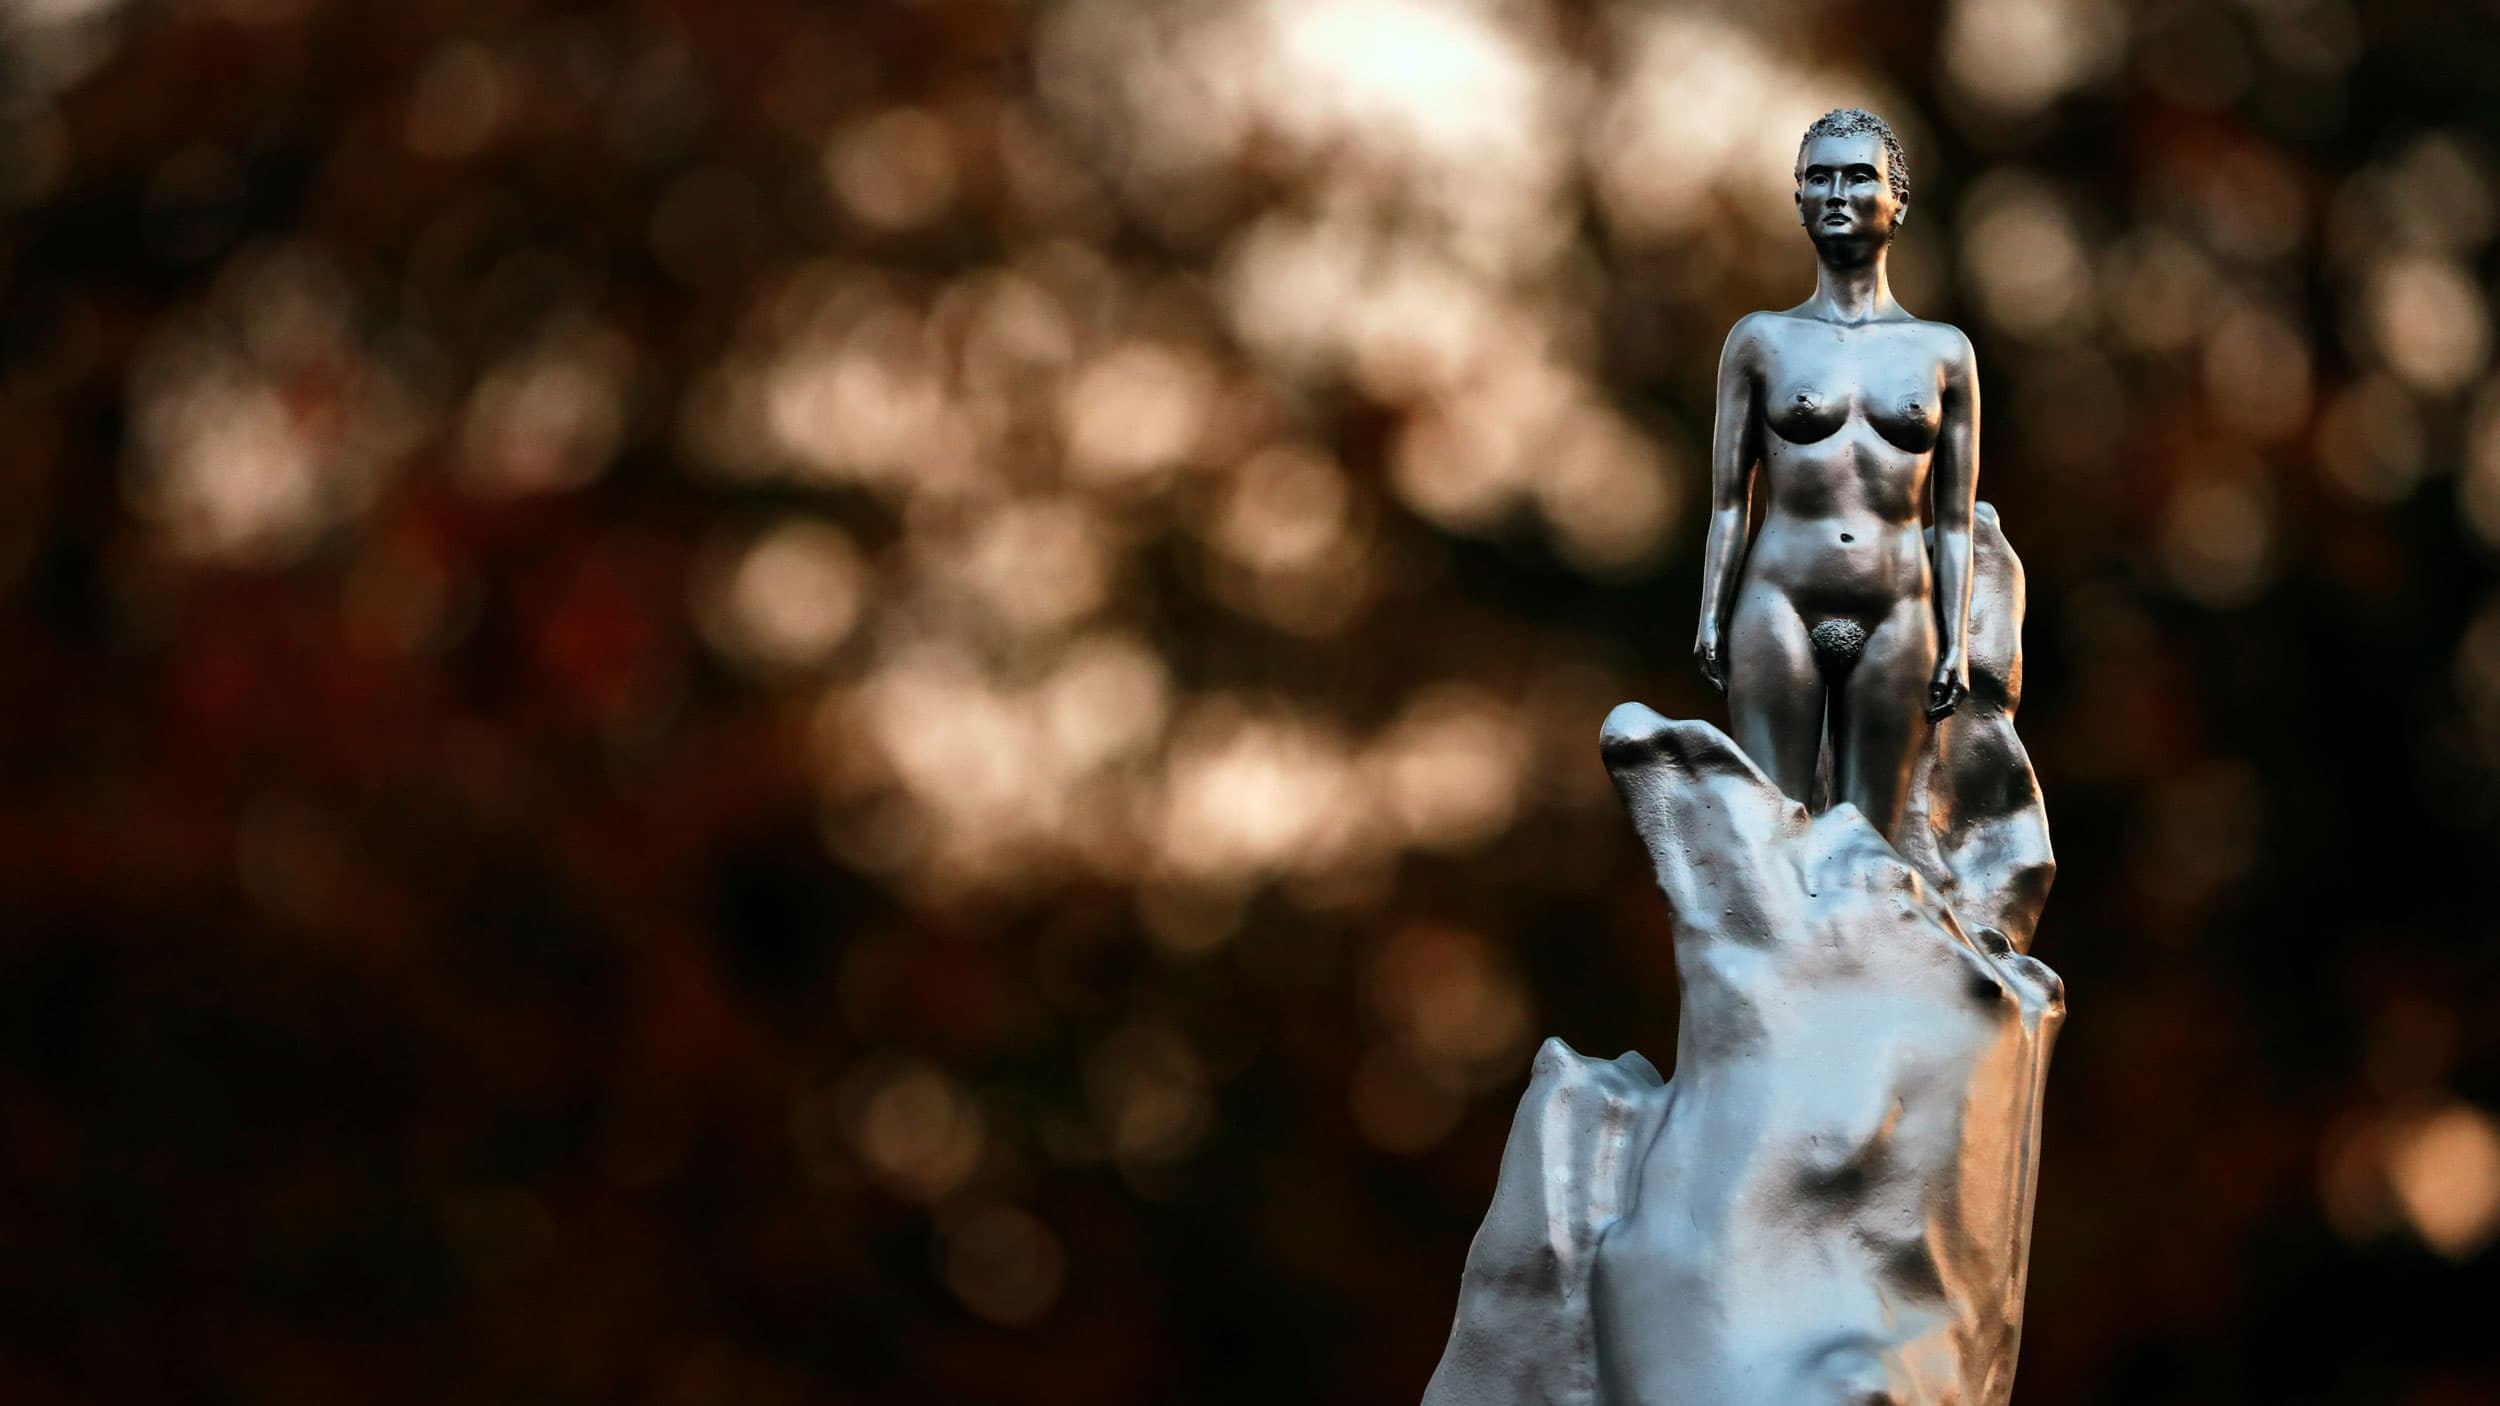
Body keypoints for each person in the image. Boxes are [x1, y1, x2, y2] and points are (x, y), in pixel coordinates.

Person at [1691, 107, 1976, 845]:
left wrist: (1955, 640)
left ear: (1898, 198)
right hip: (1779, 599)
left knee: (1869, 853)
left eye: (1857, 176)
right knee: (1768, 842)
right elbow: (1728, 501)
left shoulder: (1943, 353)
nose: (1837, 194)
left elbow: (1952, 516)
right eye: (1818, 178)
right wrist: (1712, 613)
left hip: (1898, 609)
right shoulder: (1760, 341)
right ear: (1799, 202)